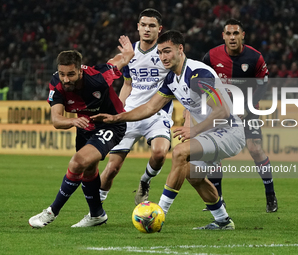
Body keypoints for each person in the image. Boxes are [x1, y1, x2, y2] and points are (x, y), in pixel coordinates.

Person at [91, 30, 246, 230]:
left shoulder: (198, 74)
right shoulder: (172, 79)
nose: (163, 57)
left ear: (180, 49)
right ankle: (223, 221)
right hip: (209, 134)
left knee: (180, 152)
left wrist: (195, 129)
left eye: (167, 51)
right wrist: (116, 117)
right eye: (160, 53)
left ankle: (159, 213)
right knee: (193, 175)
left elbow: (222, 110)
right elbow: (149, 108)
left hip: (229, 132)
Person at [28, 35, 135, 228]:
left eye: (70, 74)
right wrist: (73, 121)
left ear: (80, 71)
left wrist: (128, 53)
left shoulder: (98, 77)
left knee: (77, 162)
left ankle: (51, 212)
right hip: (84, 125)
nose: (66, 79)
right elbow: (56, 120)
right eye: (62, 74)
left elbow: (118, 61)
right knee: (88, 170)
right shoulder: (57, 84)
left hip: (111, 124)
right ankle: (97, 215)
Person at [202, 18, 278, 213]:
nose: (232, 37)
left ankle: (270, 195)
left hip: (248, 110)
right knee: (213, 153)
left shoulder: (255, 57)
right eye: (229, 34)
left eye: (236, 33)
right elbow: (200, 80)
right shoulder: (211, 57)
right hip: (221, 111)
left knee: (255, 149)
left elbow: (264, 85)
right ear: (223, 36)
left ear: (243, 35)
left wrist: (248, 107)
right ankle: (218, 199)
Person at [99, 9, 173, 206]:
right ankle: (95, 211)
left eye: (152, 26)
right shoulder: (129, 53)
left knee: (159, 153)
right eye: (144, 25)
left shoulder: (167, 53)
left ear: (160, 29)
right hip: (130, 113)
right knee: (112, 167)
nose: (147, 29)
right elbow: (127, 84)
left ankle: (145, 181)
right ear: (138, 27)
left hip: (158, 113)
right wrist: (118, 111)